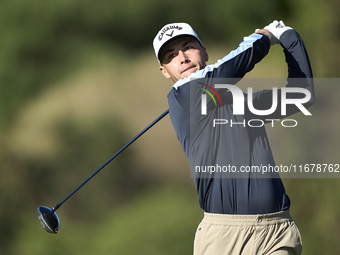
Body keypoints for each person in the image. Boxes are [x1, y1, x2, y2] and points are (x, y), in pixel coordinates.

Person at [153, 21, 314, 255]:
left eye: (188, 47)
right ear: (165, 72)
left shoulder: (243, 104)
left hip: (276, 232)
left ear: (204, 51)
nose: (183, 57)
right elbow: (233, 66)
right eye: (171, 55)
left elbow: (303, 95)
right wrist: (266, 36)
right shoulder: (182, 96)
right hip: (224, 238)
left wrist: (290, 37)